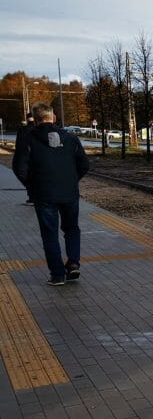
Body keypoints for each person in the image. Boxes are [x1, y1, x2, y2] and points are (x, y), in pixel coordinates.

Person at [13, 103, 90, 286]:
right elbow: (84, 165)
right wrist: (71, 180)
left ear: (35, 118)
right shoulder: (71, 138)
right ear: (53, 117)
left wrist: (32, 185)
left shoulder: (28, 139)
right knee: (72, 228)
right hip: (69, 193)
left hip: (44, 195)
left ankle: (57, 275)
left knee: (49, 234)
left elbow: (19, 168)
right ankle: (73, 263)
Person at [13, 114, 35, 204]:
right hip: (34, 156)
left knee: (22, 172)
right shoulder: (37, 128)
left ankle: (33, 195)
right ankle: (33, 195)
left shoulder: (22, 130)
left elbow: (19, 145)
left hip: (24, 155)